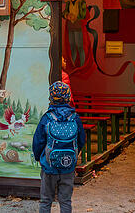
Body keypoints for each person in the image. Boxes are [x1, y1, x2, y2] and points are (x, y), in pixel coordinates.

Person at [33, 81, 86, 213]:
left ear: (51, 98)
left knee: (46, 201)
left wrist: (39, 158)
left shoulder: (47, 118)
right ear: (68, 97)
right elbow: (81, 140)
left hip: (49, 167)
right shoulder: (75, 118)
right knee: (66, 201)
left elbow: (38, 142)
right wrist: (74, 155)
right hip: (68, 167)